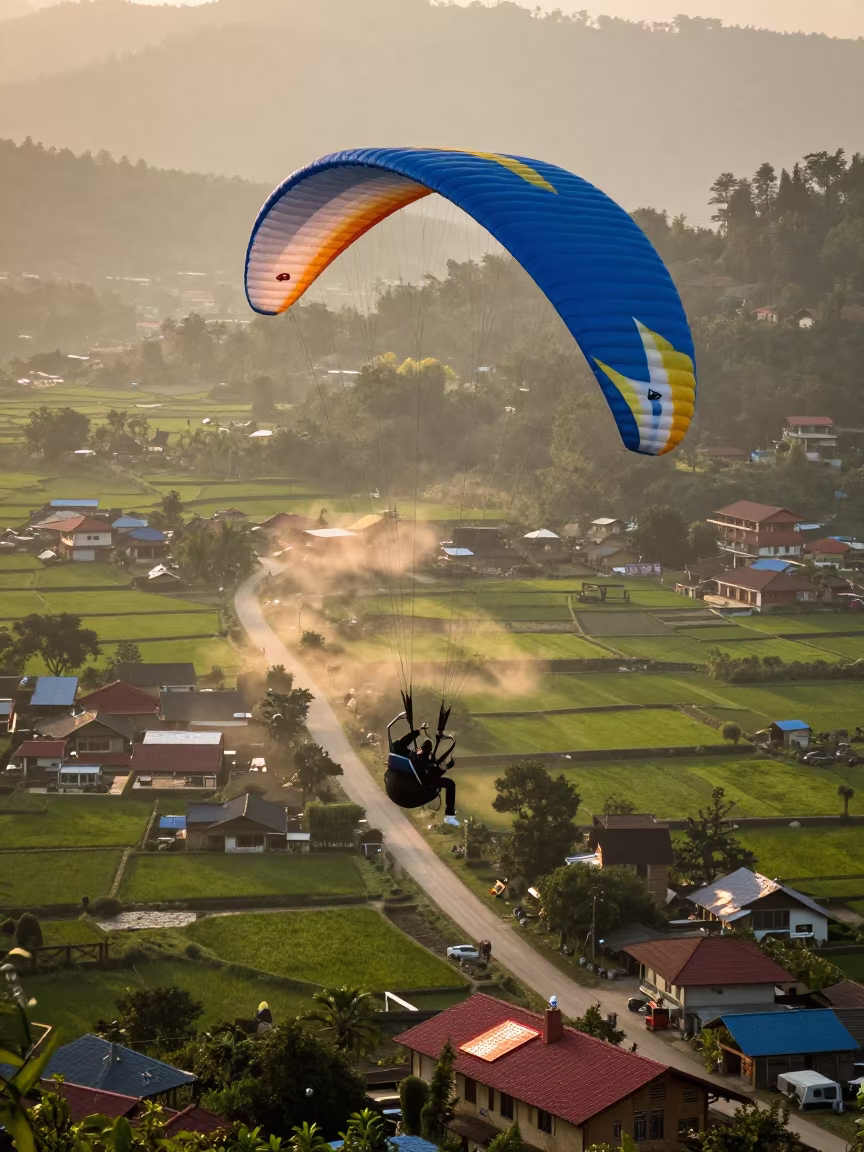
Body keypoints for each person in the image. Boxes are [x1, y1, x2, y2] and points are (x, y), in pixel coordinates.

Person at [412, 738, 458, 826]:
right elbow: (431, 768)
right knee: (450, 784)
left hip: (419, 777)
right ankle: (449, 815)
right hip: (425, 781)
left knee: (440, 773)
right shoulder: (424, 758)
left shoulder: (415, 754)